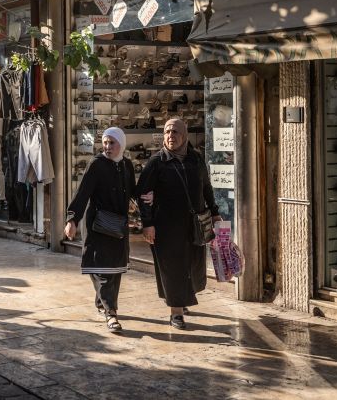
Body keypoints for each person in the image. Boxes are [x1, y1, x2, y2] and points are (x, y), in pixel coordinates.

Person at [137, 118, 221, 330]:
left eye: (175, 132)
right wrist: (148, 223)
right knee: (172, 268)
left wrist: (215, 212)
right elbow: (141, 194)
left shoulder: (196, 159)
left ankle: (182, 301)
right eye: (167, 132)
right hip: (166, 227)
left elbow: (206, 188)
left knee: (192, 266)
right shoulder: (157, 162)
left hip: (194, 224)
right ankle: (176, 312)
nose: (170, 136)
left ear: (184, 135)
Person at [64, 128, 135, 333]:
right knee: (102, 269)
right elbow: (83, 192)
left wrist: (145, 198)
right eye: (105, 142)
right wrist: (72, 219)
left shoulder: (126, 165)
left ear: (121, 144)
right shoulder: (96, 164)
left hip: (118, 226)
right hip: (98, 226)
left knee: (115, 270)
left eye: (112, 143)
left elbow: (133, 190)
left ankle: (102, 303)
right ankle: (111, 313)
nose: (108, 147)